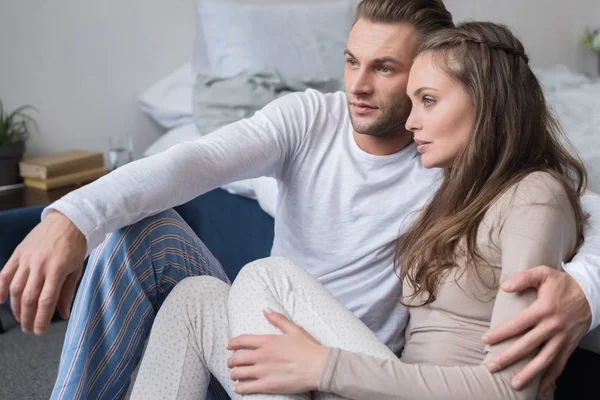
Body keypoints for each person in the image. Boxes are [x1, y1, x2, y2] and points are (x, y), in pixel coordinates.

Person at [0, 1, 598, 399]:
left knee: (265, 275)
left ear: (437, 76)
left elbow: (572, 206)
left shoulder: (470, 168)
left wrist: (587, 290)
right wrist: (73, 215)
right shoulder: (314, 119)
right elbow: (198, 161)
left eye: (388, 71)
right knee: (178, 277)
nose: (357, 87)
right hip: (283, 354)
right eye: (350, 61)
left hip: (358, 370)